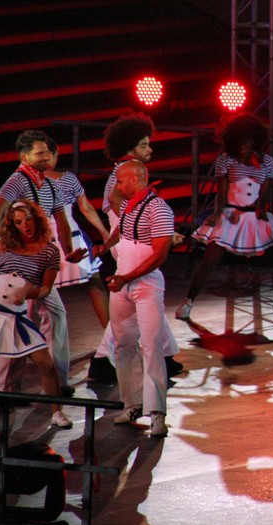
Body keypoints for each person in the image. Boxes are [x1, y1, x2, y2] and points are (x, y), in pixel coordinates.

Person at [175, 113, 273, 323]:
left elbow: (266, 190)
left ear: (255, 141)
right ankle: (188, 302)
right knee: (210, 260)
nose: (245, 146)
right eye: (241, 142)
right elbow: (221, 191)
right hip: (231, 214)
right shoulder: (225, 160)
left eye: (249, 142)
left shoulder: (267, 161)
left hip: (255, 215)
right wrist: (217, 214)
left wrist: (261, 209)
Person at [90, 113, 181, 382]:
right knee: (136, 305)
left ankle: (166, 356)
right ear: (130, 149)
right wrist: (140, 224)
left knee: (148, 300)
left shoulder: (120, 170)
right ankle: (102, 360)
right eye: (144, 145)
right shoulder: (129, 171)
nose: (150, 149)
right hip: (130, 247)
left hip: (127, 244)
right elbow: (117, 203)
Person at [0, 130, 87, 396]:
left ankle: (52, 383)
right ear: (24, 157)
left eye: (47, 152)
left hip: (37, 260)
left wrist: (68, 252)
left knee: (42, 318)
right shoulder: (17, 182)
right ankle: (10, 389)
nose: (46, 157)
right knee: (19, 321)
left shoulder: (50, 185)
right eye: (39, 153)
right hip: (17, 264)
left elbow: (61, 221)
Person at [92, 160, 177, 437]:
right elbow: (123, 231)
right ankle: (132, 404)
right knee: (123, 346)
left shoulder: (158, 208)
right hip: (123, 285)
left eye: (120, 181)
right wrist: (105, 246)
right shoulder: (130, 205)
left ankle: (157, 414)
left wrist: (127, 278)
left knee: (151, 346)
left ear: (135, 179)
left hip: (145, 286)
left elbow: (160, 254)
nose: (117, 186)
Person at [0, 199, 73, 428]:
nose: (25, 225)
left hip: (18, 315)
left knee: (46, 364)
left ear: (36, 218)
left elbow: (46, 288)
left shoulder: (49, 251)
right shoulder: (3, 246)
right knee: (5, 377)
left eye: (28, 219)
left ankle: (57, 412)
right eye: (18, 222)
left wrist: (27, 293)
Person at [44, 138, 111, 328]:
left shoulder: (25, 181)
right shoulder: (67, 178)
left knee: (44, 291)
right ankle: (110, 332)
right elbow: (85, 207)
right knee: (94, 283)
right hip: (71, 237)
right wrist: (104, 233)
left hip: (44, 240)